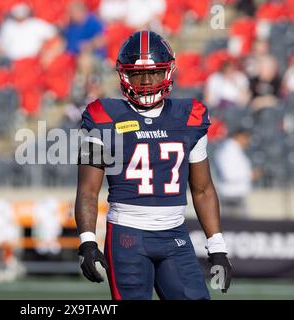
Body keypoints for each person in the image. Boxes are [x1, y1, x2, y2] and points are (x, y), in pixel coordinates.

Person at [75, 30, 232, 300]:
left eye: (155, 72)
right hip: (128, 236)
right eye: (138, 74)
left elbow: (203, 189)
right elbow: (88, 190)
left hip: (175, 235)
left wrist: (217, 246)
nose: (147, 81)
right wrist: (88, 240)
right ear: (124, 75)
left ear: (168, 72)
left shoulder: (189, 117)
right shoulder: (102, 117)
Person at [214, 128, 255, 218]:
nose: (248, 141)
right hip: (231, 197)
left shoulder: (234, 150)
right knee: (236, 227)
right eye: (246, 138)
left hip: (236, 195)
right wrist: (249, 176)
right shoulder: (228, 151)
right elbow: (228, 175)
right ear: (239, 136)